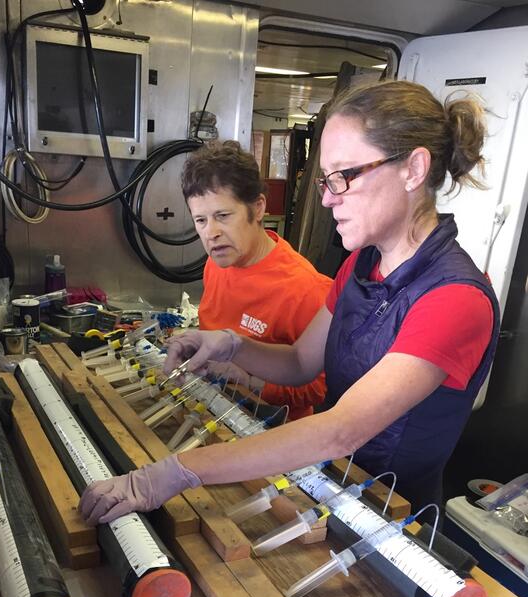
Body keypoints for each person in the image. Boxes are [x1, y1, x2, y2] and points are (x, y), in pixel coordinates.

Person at [79, 80, 500, 526]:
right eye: (324, 178)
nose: (325, 197)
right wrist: (231, 345)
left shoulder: (455, 298)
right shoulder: (362, 265)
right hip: (331, 488)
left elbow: (341, 430)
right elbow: (301, 361)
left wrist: (180, 472)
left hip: (394, 523)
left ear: (413, 169)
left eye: (344, 176)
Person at [181, 140, 333, 420]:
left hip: (271, 426)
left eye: (223, 216)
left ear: (259, 208)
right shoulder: (216, 265)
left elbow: (320, 388)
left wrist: (252, 381)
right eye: (200, 221)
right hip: (216, 409)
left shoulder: (306, 289)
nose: (211, 233)